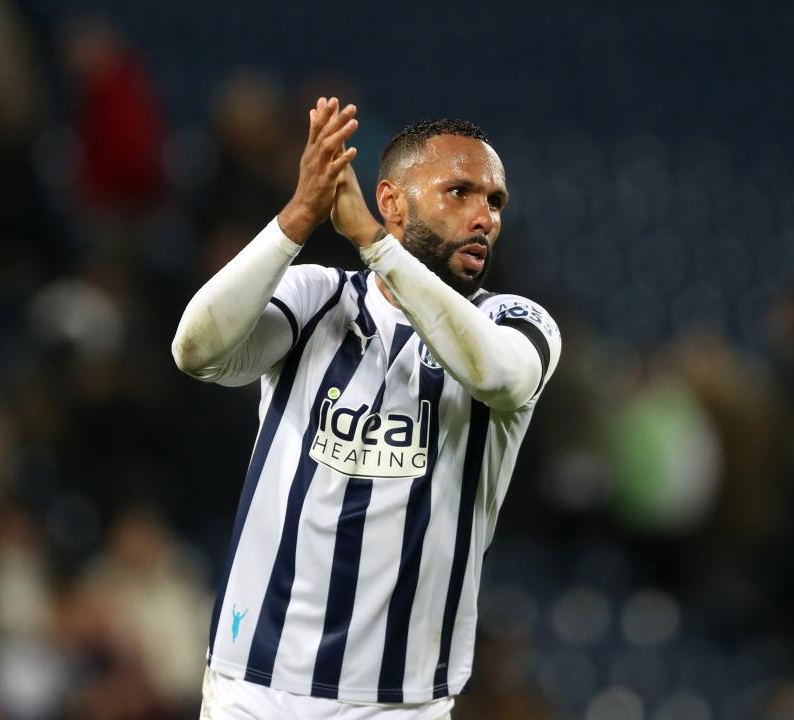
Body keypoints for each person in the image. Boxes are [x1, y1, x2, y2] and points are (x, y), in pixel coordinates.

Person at [173, 97, 561, 720]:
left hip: (394, 702)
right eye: (459, 192)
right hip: (253, 684)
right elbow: (197, 351)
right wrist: (299, 215)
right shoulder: (317, 296)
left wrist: (375, 245)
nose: (484, 216)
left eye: (494, 201)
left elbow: (502, 378)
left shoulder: (515, 322)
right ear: (393, 202)